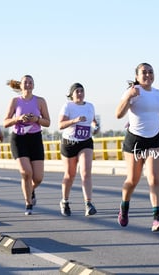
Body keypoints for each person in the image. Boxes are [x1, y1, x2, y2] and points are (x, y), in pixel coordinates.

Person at [115, 63, 159, 232]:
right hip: (135, 141)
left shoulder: (158, 94)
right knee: (132, 180)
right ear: (137, 76)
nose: (148, 75)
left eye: (150, 72)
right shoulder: (133, 92)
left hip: (154, 140)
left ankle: (157, 219)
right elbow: (118, 114)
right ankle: (124, 208)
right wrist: (128, 96)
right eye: (144, 72)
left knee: (154, 179)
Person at [4, 75, 51, 215]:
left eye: (31, 82)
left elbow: (48, 122)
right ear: (21, 85)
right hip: (19, 138)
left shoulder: (40, 101)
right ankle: (28, 203)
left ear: (34, 85)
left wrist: (36, 119)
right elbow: (6, 121)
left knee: (38, 177)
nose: (28, 85)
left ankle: (31, 189)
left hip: (35, 138)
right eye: (25, 82)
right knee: (26, 172)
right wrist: (18, 119)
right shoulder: (15, 101)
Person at [58, 83, 100, 217]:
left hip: (85, 141)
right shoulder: (68, 106)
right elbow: (60, 125)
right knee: (70, 175)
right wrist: (74, 120)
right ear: (72, 94)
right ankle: (64, 201)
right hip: (69, 142)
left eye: (82, 91)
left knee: (85, 172)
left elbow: (93, 121)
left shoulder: (90, 106)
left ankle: (88, 203)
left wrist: (96, 126)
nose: (80, 93)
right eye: (77, 91)